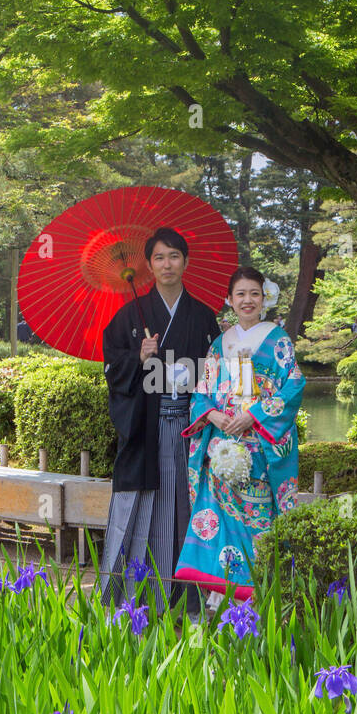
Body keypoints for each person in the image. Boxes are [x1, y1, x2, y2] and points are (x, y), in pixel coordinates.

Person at [99, 226, 220, 620]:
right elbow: (111, 366)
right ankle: (134, 603)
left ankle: (193, 602)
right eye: (159, 257)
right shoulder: (129, 317)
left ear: (185, 262)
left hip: (193, 430)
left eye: (174, 256)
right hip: (148, 432)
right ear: (149, 266)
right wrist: (138, 354)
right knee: (144, 509)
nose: (167, 264)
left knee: (190, 509)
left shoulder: (203, 317)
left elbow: (218, 378)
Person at [173, 266, 305, 602]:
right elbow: (202, 391)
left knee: (257, 518)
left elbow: (292, 387)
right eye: (241, 294)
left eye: (254, 294)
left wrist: (253, 416)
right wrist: (214, 414)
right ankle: (222, 603)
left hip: (258, 446)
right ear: (229, 300)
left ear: (265, 299)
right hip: (221, 448)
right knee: (221, 516)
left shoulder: (278, 340)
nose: (248, 300)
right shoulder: (220, 343)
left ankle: (259, 598)